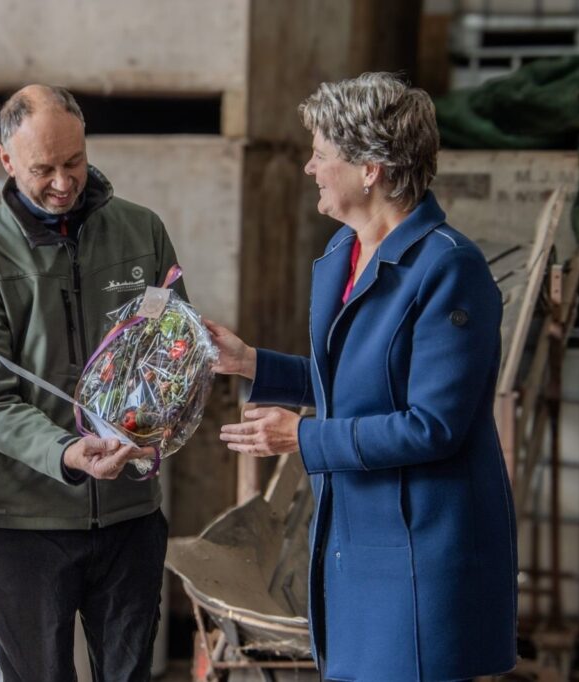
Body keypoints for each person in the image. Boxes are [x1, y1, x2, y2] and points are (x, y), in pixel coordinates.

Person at [206, 73, 517, 681]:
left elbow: (432, 427)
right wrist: (252, 363)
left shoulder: (450, 268)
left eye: (321, 153)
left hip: (420, 556)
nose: (309, 168)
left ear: (370, 168)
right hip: (351, 543)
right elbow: (352, 386)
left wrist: (302, 438)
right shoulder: (340, 258)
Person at [0, 84, 184, 681]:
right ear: (6, 161)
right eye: (43, 168)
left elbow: (170, 350)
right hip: (29, 522)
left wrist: (156, 419)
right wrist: (66, 452)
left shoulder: (142, 233)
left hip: (130, 514)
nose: (63, 181)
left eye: (74, 162)